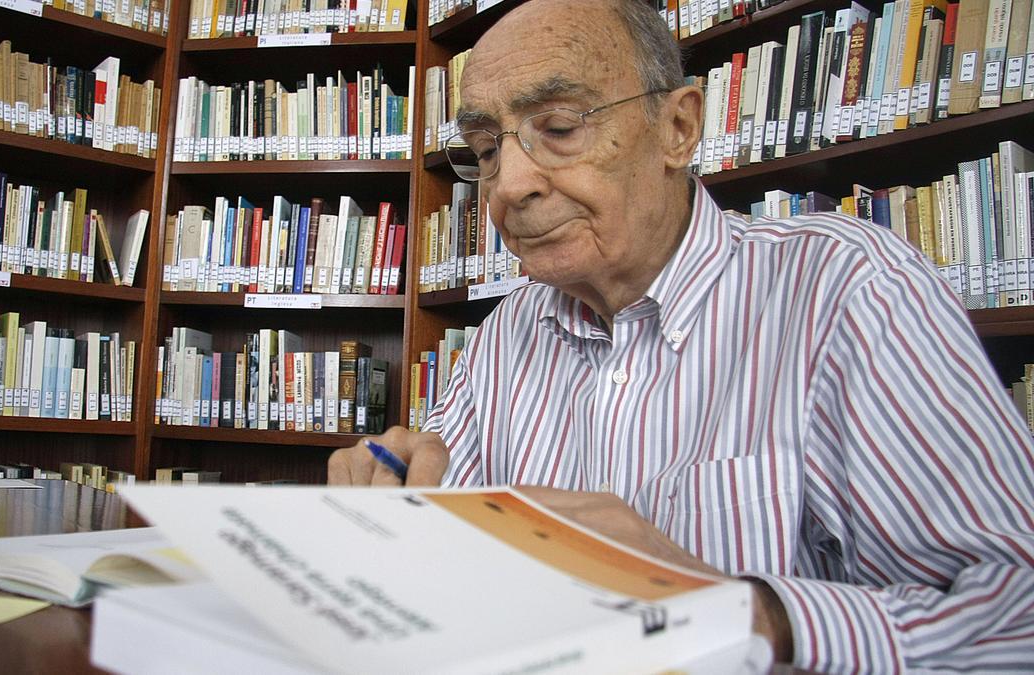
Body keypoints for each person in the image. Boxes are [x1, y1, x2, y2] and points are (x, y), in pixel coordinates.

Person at [328, 0, 1034, 671]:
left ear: (678, 128)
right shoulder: (507, 331)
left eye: (562, 126)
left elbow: (1014, 620)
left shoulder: (853, 290)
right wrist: (394, 509)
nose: (508, 184)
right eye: (484, 148)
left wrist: (742, 612)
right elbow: (450, 551)